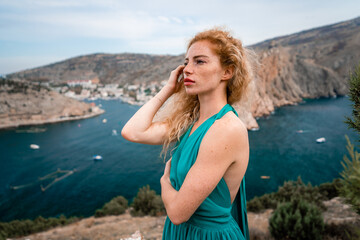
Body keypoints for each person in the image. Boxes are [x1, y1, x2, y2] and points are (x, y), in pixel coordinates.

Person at [121, 28, 253, 240]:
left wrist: (164, 181)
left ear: (227, 72)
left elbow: (177, 212)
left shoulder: (226, 128)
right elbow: (132, 132)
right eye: (186, 62)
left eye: (199, 61)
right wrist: (167, 89)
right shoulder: (190, 122)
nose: (187, 69)